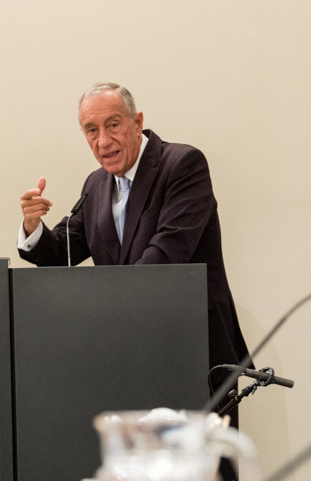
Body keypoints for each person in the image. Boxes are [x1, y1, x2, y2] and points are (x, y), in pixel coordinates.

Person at [17, 82, 248, 397]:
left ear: (137, 122)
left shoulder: (182, 165)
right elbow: (62, 251)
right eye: (91, 130)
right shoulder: (96, 184)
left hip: (192, 350)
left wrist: (100, 311)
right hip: (129, 355)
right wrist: (32, 226)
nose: (103, 140)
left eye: (113, 125)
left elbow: (165, 257)